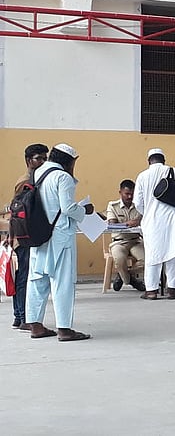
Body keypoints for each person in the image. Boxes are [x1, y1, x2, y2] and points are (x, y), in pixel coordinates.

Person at [25, 143, 92, 341]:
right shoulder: (63, 177)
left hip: (38, 233)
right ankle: (64, 329)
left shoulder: (37, 173)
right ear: (70, 161)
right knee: (62, 281)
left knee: (37, 279)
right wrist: (85, 211)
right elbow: (68, 208)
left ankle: (35, 325)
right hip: (60, 236)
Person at [133, 148, 175, 300]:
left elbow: (138, 202)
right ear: (163, 160)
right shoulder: (174, 171)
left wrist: (149, 212)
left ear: (149, 161)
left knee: (153, 255)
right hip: (174, 220)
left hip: (153, 221)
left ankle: (151, 291)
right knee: (173, 253)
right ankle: (172, 290)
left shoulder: (143, 176)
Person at [10, 143, 49, 330]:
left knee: (27, 276)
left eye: (45, 158)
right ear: (28, 161)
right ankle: (22, 316)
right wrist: (12, 237)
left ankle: (20, 316)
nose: (42, 162)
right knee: (23, 278)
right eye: (38, 158)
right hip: (23, 235)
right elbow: (17, 209)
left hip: (31, 234)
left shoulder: (39, 178)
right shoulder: (25, 180)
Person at [106, 179, 146, 292]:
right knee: (119, 259)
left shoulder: (139, 206)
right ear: (120, 192)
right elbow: (112, 224)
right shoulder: (113, 205)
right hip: (119, 241)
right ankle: (132, 281)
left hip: (135, 241)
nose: (129, 197)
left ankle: (124, 275)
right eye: (127, 194)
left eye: (132, 194)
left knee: (148, 260)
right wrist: (128, 224)